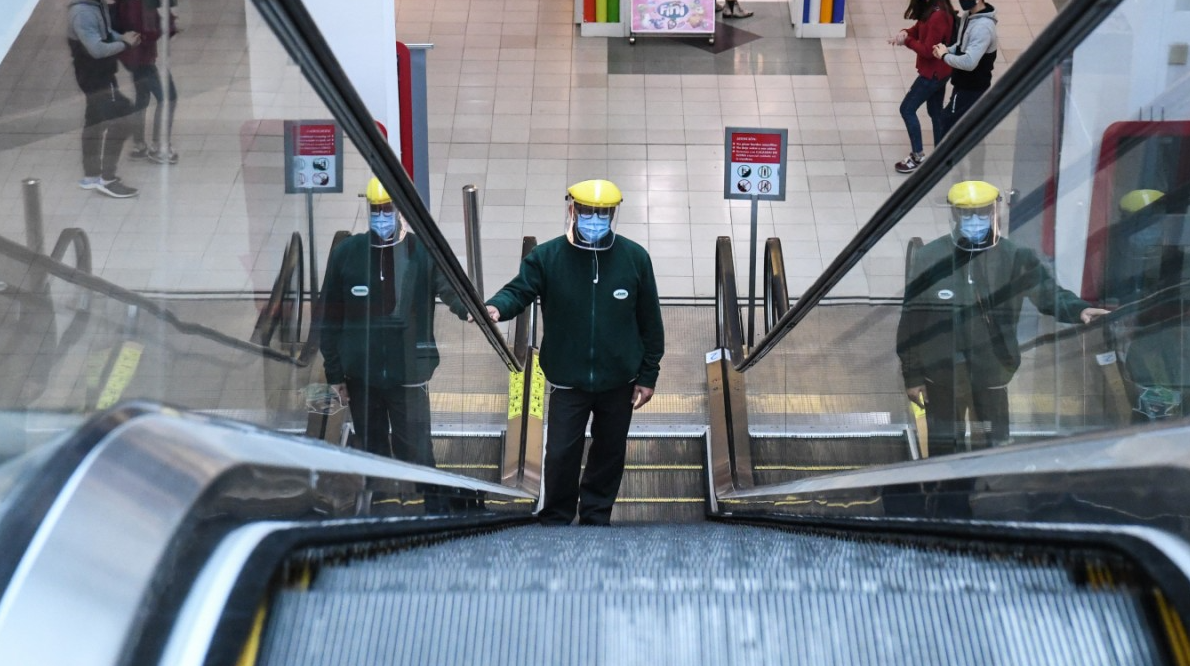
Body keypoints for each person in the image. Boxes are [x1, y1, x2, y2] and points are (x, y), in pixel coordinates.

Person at [485, 179, 665, 526]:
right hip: (568, 380)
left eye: (603, 215)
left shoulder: (634, 258)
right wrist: (495, 308)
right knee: (561, 453)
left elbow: (650, 323)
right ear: (572, 211)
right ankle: (557, 515)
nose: (595, 222)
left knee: (609, 452)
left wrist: (648, 374)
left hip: (620, 380)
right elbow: (519, 290)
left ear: (613, 215)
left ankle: (597, 516)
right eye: (587, 213)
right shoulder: (548, 256)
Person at [896, 180, 1108, 455]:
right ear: (954, 214)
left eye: (982, 211)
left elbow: (1046, 292)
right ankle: (945, 489)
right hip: (942, 373)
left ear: (994, 211)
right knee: (945, 439)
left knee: (993, 440)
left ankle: (988, 487)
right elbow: (912, 321)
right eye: (966, 213)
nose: (974, 220)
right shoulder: (929, 258)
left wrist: (1078, 309)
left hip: (991, 369)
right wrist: (912, 376)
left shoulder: (1014, 257)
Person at [320, 177, 469, 465]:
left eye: (388, 210)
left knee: (417, 450)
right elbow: (329, 317)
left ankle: (427, 503)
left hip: (409, 374)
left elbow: (450, 288)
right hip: (362, 377)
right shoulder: (347, 253)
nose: (382, 217)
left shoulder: (423, 252)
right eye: (376, 210)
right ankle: (380, 502)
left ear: (400, 210)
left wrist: (472, 310)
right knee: (372, 452)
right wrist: (335, 374)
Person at [67, 0, 141, 198]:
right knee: (125, 119)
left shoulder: (96, 6)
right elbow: (97, 49)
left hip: (97, 75)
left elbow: (105, 32)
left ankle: (91, 175)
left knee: (94, 121)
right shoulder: (82, 13)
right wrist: (124, 43)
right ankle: (107, 179)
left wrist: (122, 38)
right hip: (96, 78)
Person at [890, 0, 955, 174]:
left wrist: (908, 41)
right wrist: (906, 33)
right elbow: (920, 27)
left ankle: (917, 156)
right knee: (935, 113)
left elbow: (927, 50)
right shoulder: (937, 7)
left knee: (907, 109)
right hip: (941, 72)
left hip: (931, 75)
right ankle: (940, 156)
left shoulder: (937, 16)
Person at [112, 0, 179, 165]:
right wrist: (169, 24)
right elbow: (147, 32)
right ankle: (159, 146)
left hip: (134, 56)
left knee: (142, 96)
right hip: (142, 58)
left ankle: (139, 145)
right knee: (168, 98)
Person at [932, 0, 997, 141]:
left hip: (971, 88)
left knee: (947, 124)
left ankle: (942, 161)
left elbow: (969, 62)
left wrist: (944, 56)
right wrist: (947, 50)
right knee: (964, 127)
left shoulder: (983, 27)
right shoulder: (968, 16)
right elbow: (961, 45)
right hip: (963, 84)